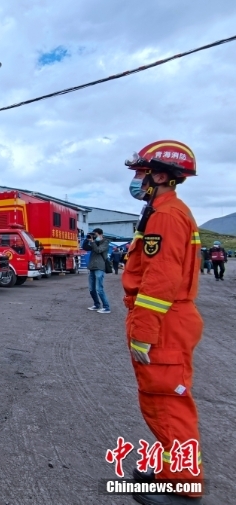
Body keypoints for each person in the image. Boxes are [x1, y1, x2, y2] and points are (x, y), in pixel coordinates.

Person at [123, 140, 203, 504]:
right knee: (162, 398)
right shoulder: (165, 212)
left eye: (141, 173)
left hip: (164, 321)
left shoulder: (167, 216)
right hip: (168, 318)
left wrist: (143, 331)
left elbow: (161, 279)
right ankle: (173, 470)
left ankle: (183, 487)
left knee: (168, 401)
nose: (137, 181)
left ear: (159, 175)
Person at [82, 228, 111, 314]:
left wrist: (92, 242)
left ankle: (106, 307)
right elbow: (85, 247)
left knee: (99, 289)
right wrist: (87, 240)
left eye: (95, 235)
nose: (94, 236)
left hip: (99, 267)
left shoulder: (105, 242)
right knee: (91, 289)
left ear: (100, 234)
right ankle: (96, 304)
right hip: (92, 267)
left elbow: (98, 250)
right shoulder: (94, 242)